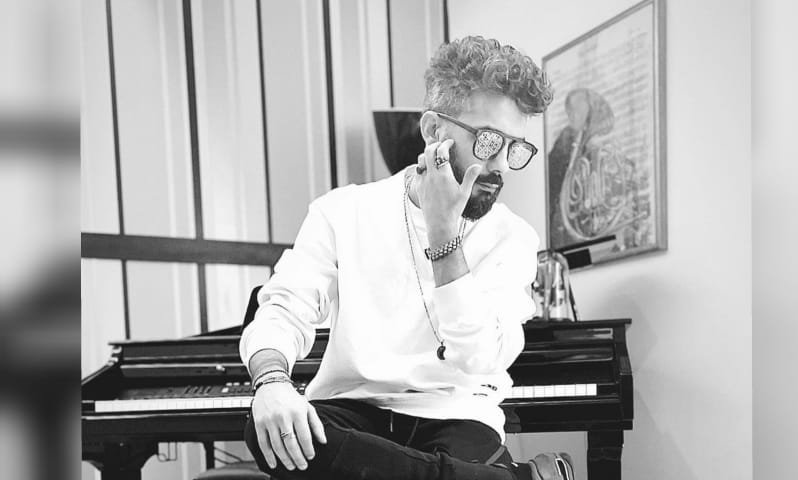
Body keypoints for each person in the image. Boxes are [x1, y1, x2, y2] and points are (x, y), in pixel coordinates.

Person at [240, 36, 574, 480]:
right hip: (353, 409)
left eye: (515, 147)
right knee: (269, 431)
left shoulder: (512, 237)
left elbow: (478, 359)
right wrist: (271, 384)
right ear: (433, 130)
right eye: (489, 140)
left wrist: (443, 234)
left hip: (458, 414)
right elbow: (284, 309)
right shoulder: (342, 211)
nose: (503, 166)